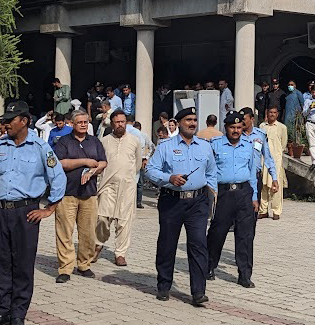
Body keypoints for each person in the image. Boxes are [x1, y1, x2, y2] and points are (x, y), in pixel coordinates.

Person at [0, 101, 65, 325]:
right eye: (4, 120)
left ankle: (18, 314)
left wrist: (49, 209)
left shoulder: (40, 147)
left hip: (25, 213)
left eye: (10, 120)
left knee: (23, 265)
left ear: (24, 121)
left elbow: (58, 178)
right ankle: (3, 311)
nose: (5, 124)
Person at [145, 107, 215, 306]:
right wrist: (169, 178)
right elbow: (150, 170)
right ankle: (164, 285)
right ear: (178, 123)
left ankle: (198, 292)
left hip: (198, 203)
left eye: (194, 120)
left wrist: (212, 197)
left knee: (199, 245)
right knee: (167, 244)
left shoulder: (205, 146)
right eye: (188, 120)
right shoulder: (165, 146)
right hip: (172, 201)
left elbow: (211, 173)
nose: (192, 123)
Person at [207, 111, 278, 288]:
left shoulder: (248, 145)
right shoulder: (215, 144)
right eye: (232, 127)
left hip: (244, 193)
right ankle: (209, 266)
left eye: (239, 127)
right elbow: (209, 170)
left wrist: (254, 197)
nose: (236, 131)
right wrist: (211, 194)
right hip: (223, 194)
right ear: (226, 128)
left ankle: (245, 274)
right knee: (217, 232)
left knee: (245, 235)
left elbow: (252, 173)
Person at [52, 110, 107, 282]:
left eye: (85, 122)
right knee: (64, 232)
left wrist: (92, 171)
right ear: (72, 124)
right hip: (67, 193)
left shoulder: (94, 141)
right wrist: (85, 161)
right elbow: (61, 163)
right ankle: (65, 268)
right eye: (79, 122)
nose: (83, 125)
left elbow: (103, 162)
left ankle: (84, 264)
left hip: (89, 194)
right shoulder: (64, 141)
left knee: (88, 233)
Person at [95, 110, 141, 267]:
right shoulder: (104, 141)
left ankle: (120, 253)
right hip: (107, 185)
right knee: (102, 217)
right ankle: (98, 244)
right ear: (112, 123)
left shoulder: (134, 141)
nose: (120, 124)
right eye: (117, 122)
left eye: (122, 121)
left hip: (127, 186)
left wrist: (126, 177)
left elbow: (137, 164)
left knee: (124, 221)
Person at [239, 107, 278, 218]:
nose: (242, 122)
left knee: (253, 211)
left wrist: (274, 178)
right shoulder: (237, 135)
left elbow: (268, 157)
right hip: (241, 177)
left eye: (244, 119)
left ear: (252, 119)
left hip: (255, 178)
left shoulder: (260, 135)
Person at [259, 106, 288, 220]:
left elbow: (283, 144)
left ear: (277, 114)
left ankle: (276, 211)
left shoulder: (282, 127)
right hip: (264, 160)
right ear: (267, 113)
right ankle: (263, 210)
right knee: (263, 186)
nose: (272, 114)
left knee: (276, 186)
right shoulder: (262, 126)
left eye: (274, 112)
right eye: (270, 112)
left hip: (276, 161)